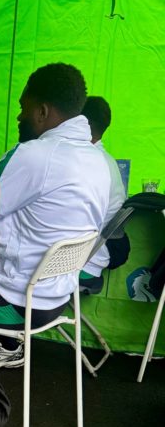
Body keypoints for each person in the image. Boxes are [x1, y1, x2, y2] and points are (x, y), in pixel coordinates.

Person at [0, 63, 112, 369]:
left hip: (13, 304)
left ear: (42, 112)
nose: (19, 116)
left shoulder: (35, 154)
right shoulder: (99, 161)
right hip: (57, 299)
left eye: (23, 108)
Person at [78, 95, 129, 294]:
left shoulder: (86, 162)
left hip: (88, 259)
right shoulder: (108, 161)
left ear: (82, 123)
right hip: (104, 248)